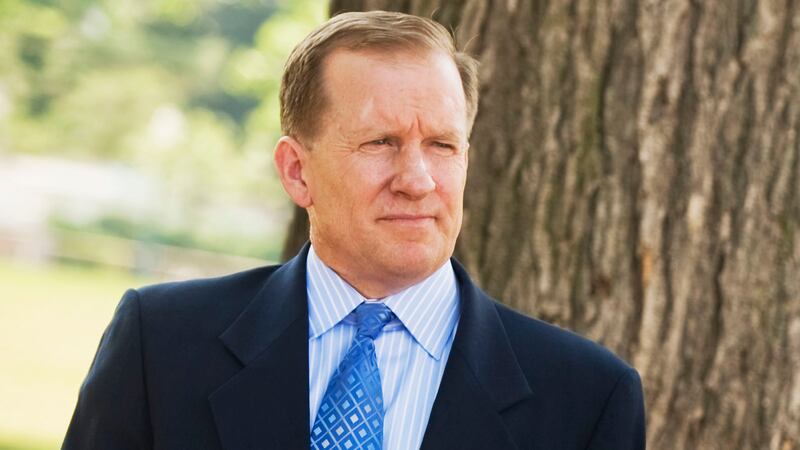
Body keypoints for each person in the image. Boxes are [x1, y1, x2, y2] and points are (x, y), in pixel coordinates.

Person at [63, 10, 645, 450]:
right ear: (298, 172)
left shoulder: (588, 398)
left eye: (442, 145)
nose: (417, 180)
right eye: (380, 143)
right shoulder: (159, 347)